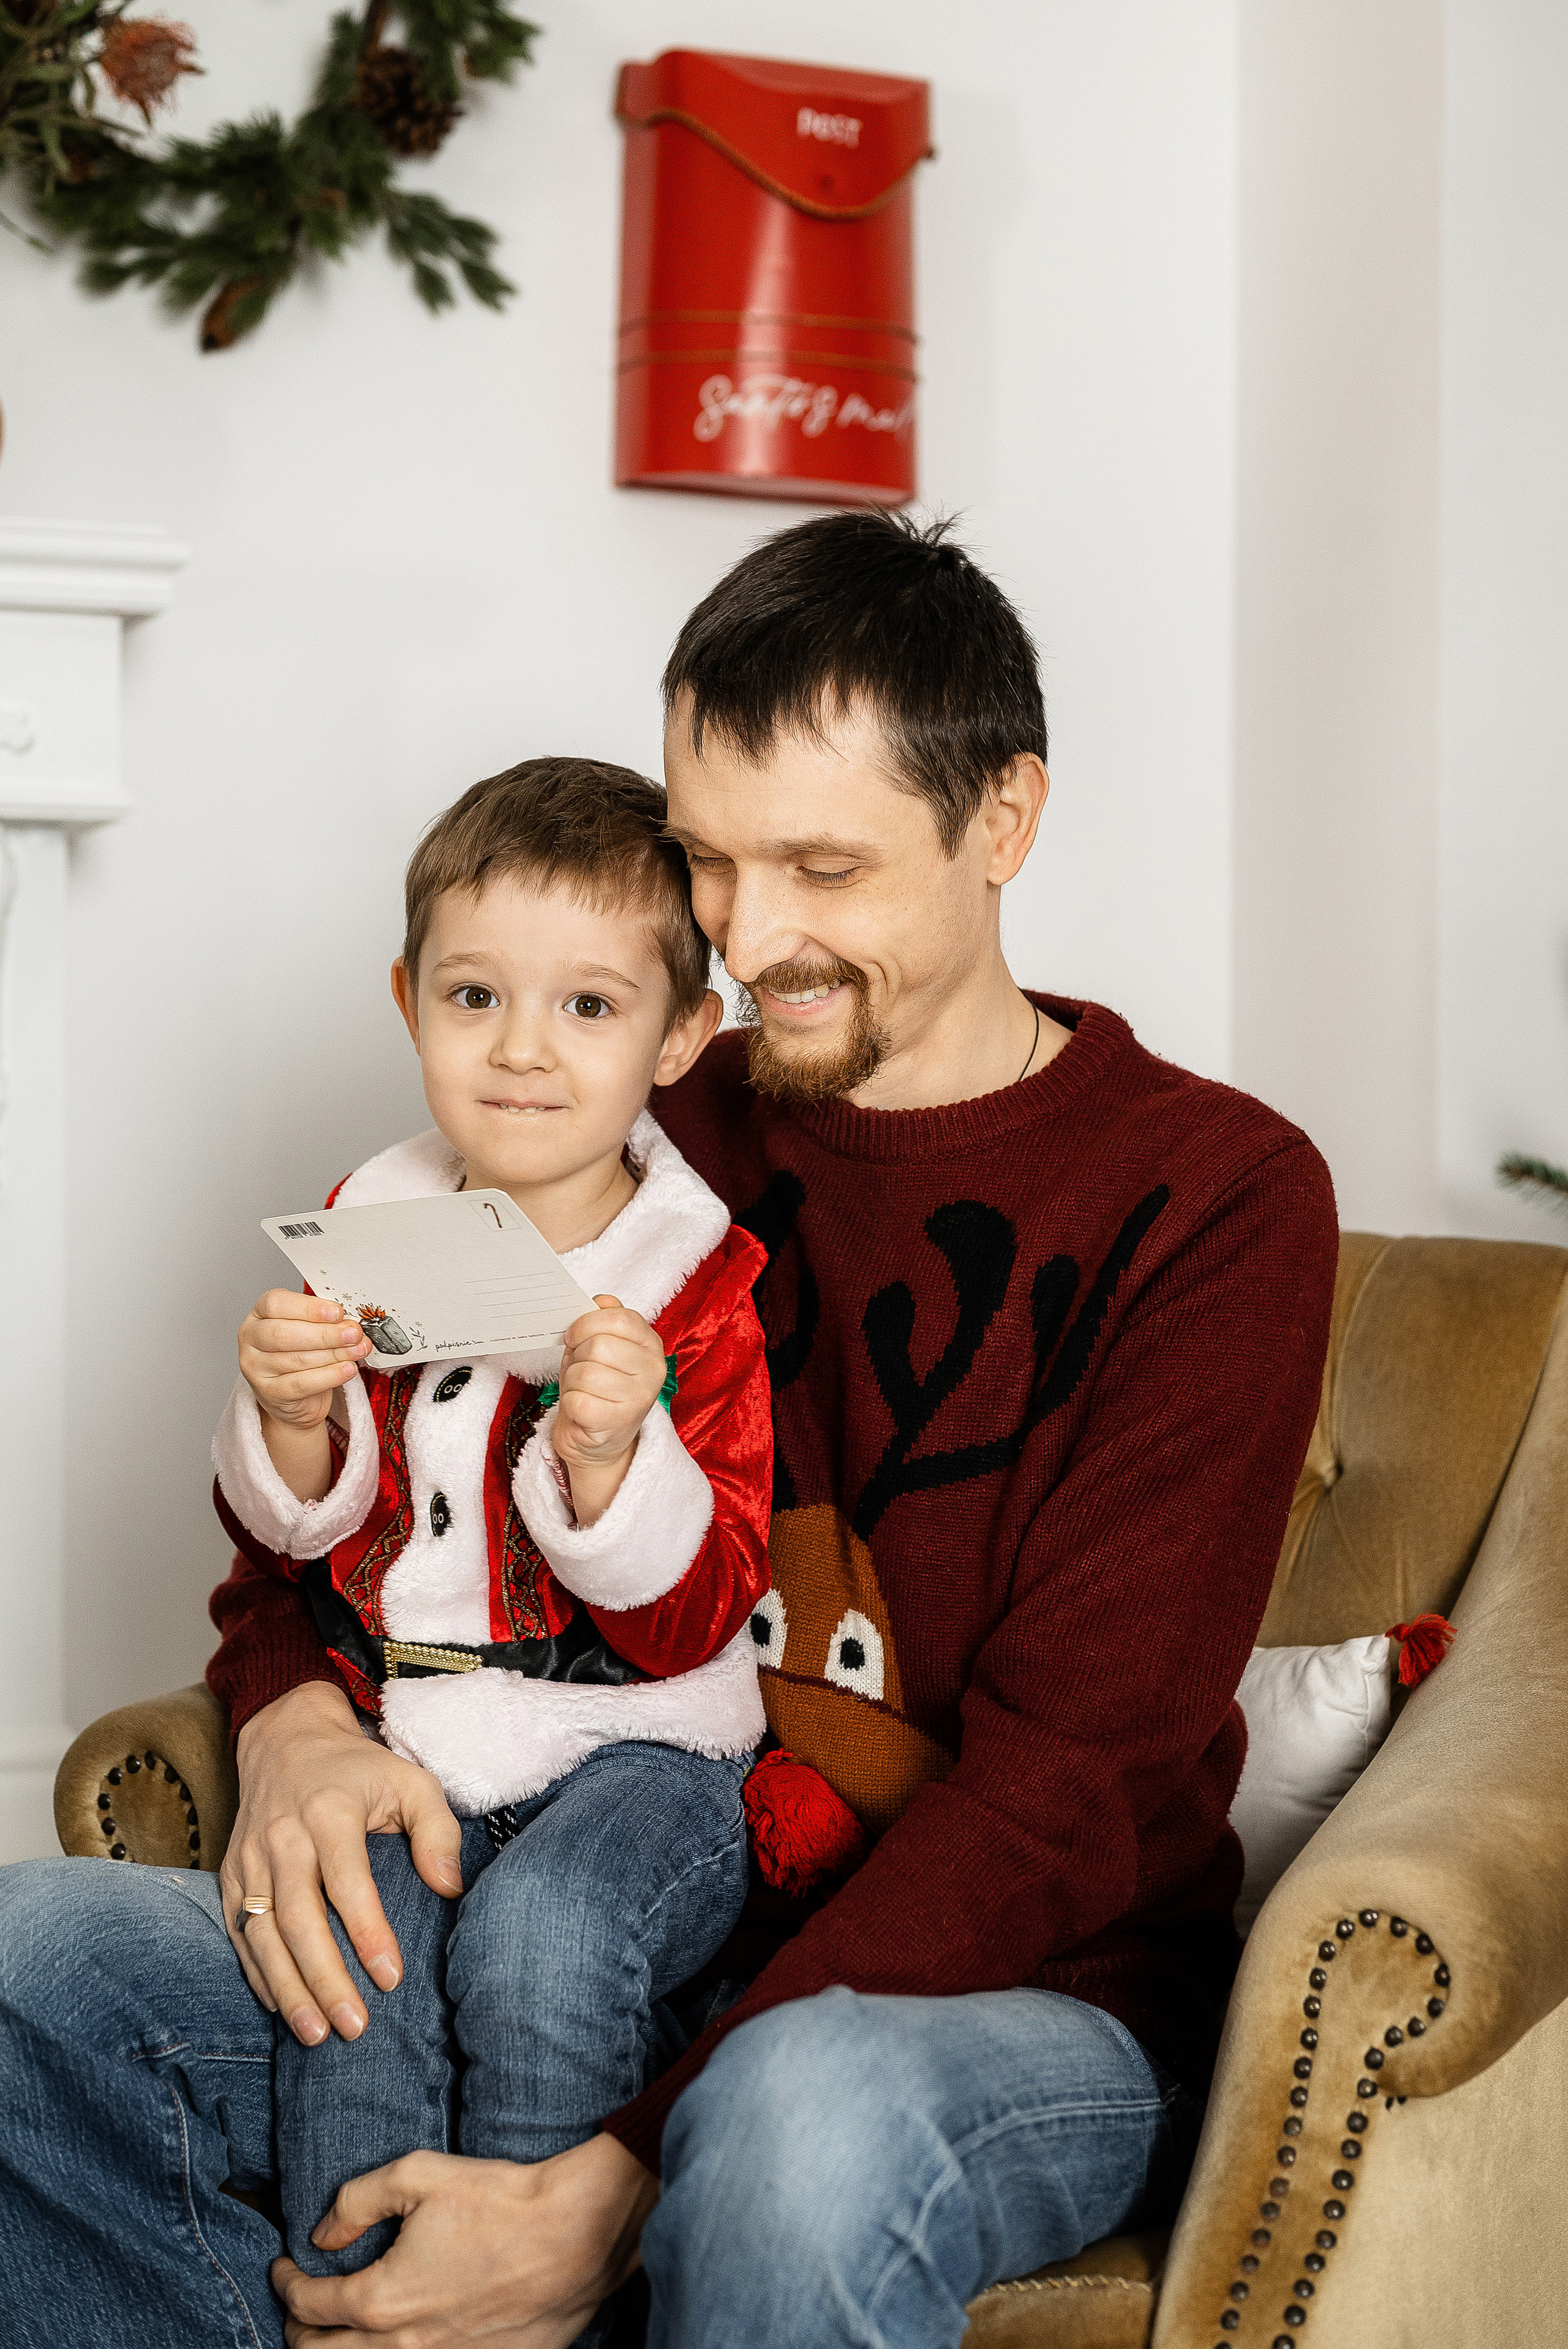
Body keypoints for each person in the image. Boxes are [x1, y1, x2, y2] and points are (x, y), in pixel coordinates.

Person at [0, 514, 1338, 2349]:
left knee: (790, 2130)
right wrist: (295, 1720)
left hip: (1011, 1995)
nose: (755, 938)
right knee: (29, 1966)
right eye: (710, 863)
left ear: (1004, 821)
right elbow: (355, 1508)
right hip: (567, 1875)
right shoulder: (637, 1104)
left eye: (825, 867)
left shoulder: (1215, 1196)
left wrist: (610, 2174)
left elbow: (1071, 1791)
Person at [210, 755, 778, 2277]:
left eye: (589, 1007)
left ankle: (525, 2301)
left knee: (545, 1945)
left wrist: (610, 1462)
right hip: (425, 1746)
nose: (522, 1050)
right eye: (474, 998)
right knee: (352, 1960)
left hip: (649, 1757)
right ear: (408, 1002)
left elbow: (702, 1604)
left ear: (679, 1038)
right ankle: (357, 2296)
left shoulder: (696, 1284)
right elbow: (307, 1552)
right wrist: (291, 1422)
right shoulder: (372, 1226)